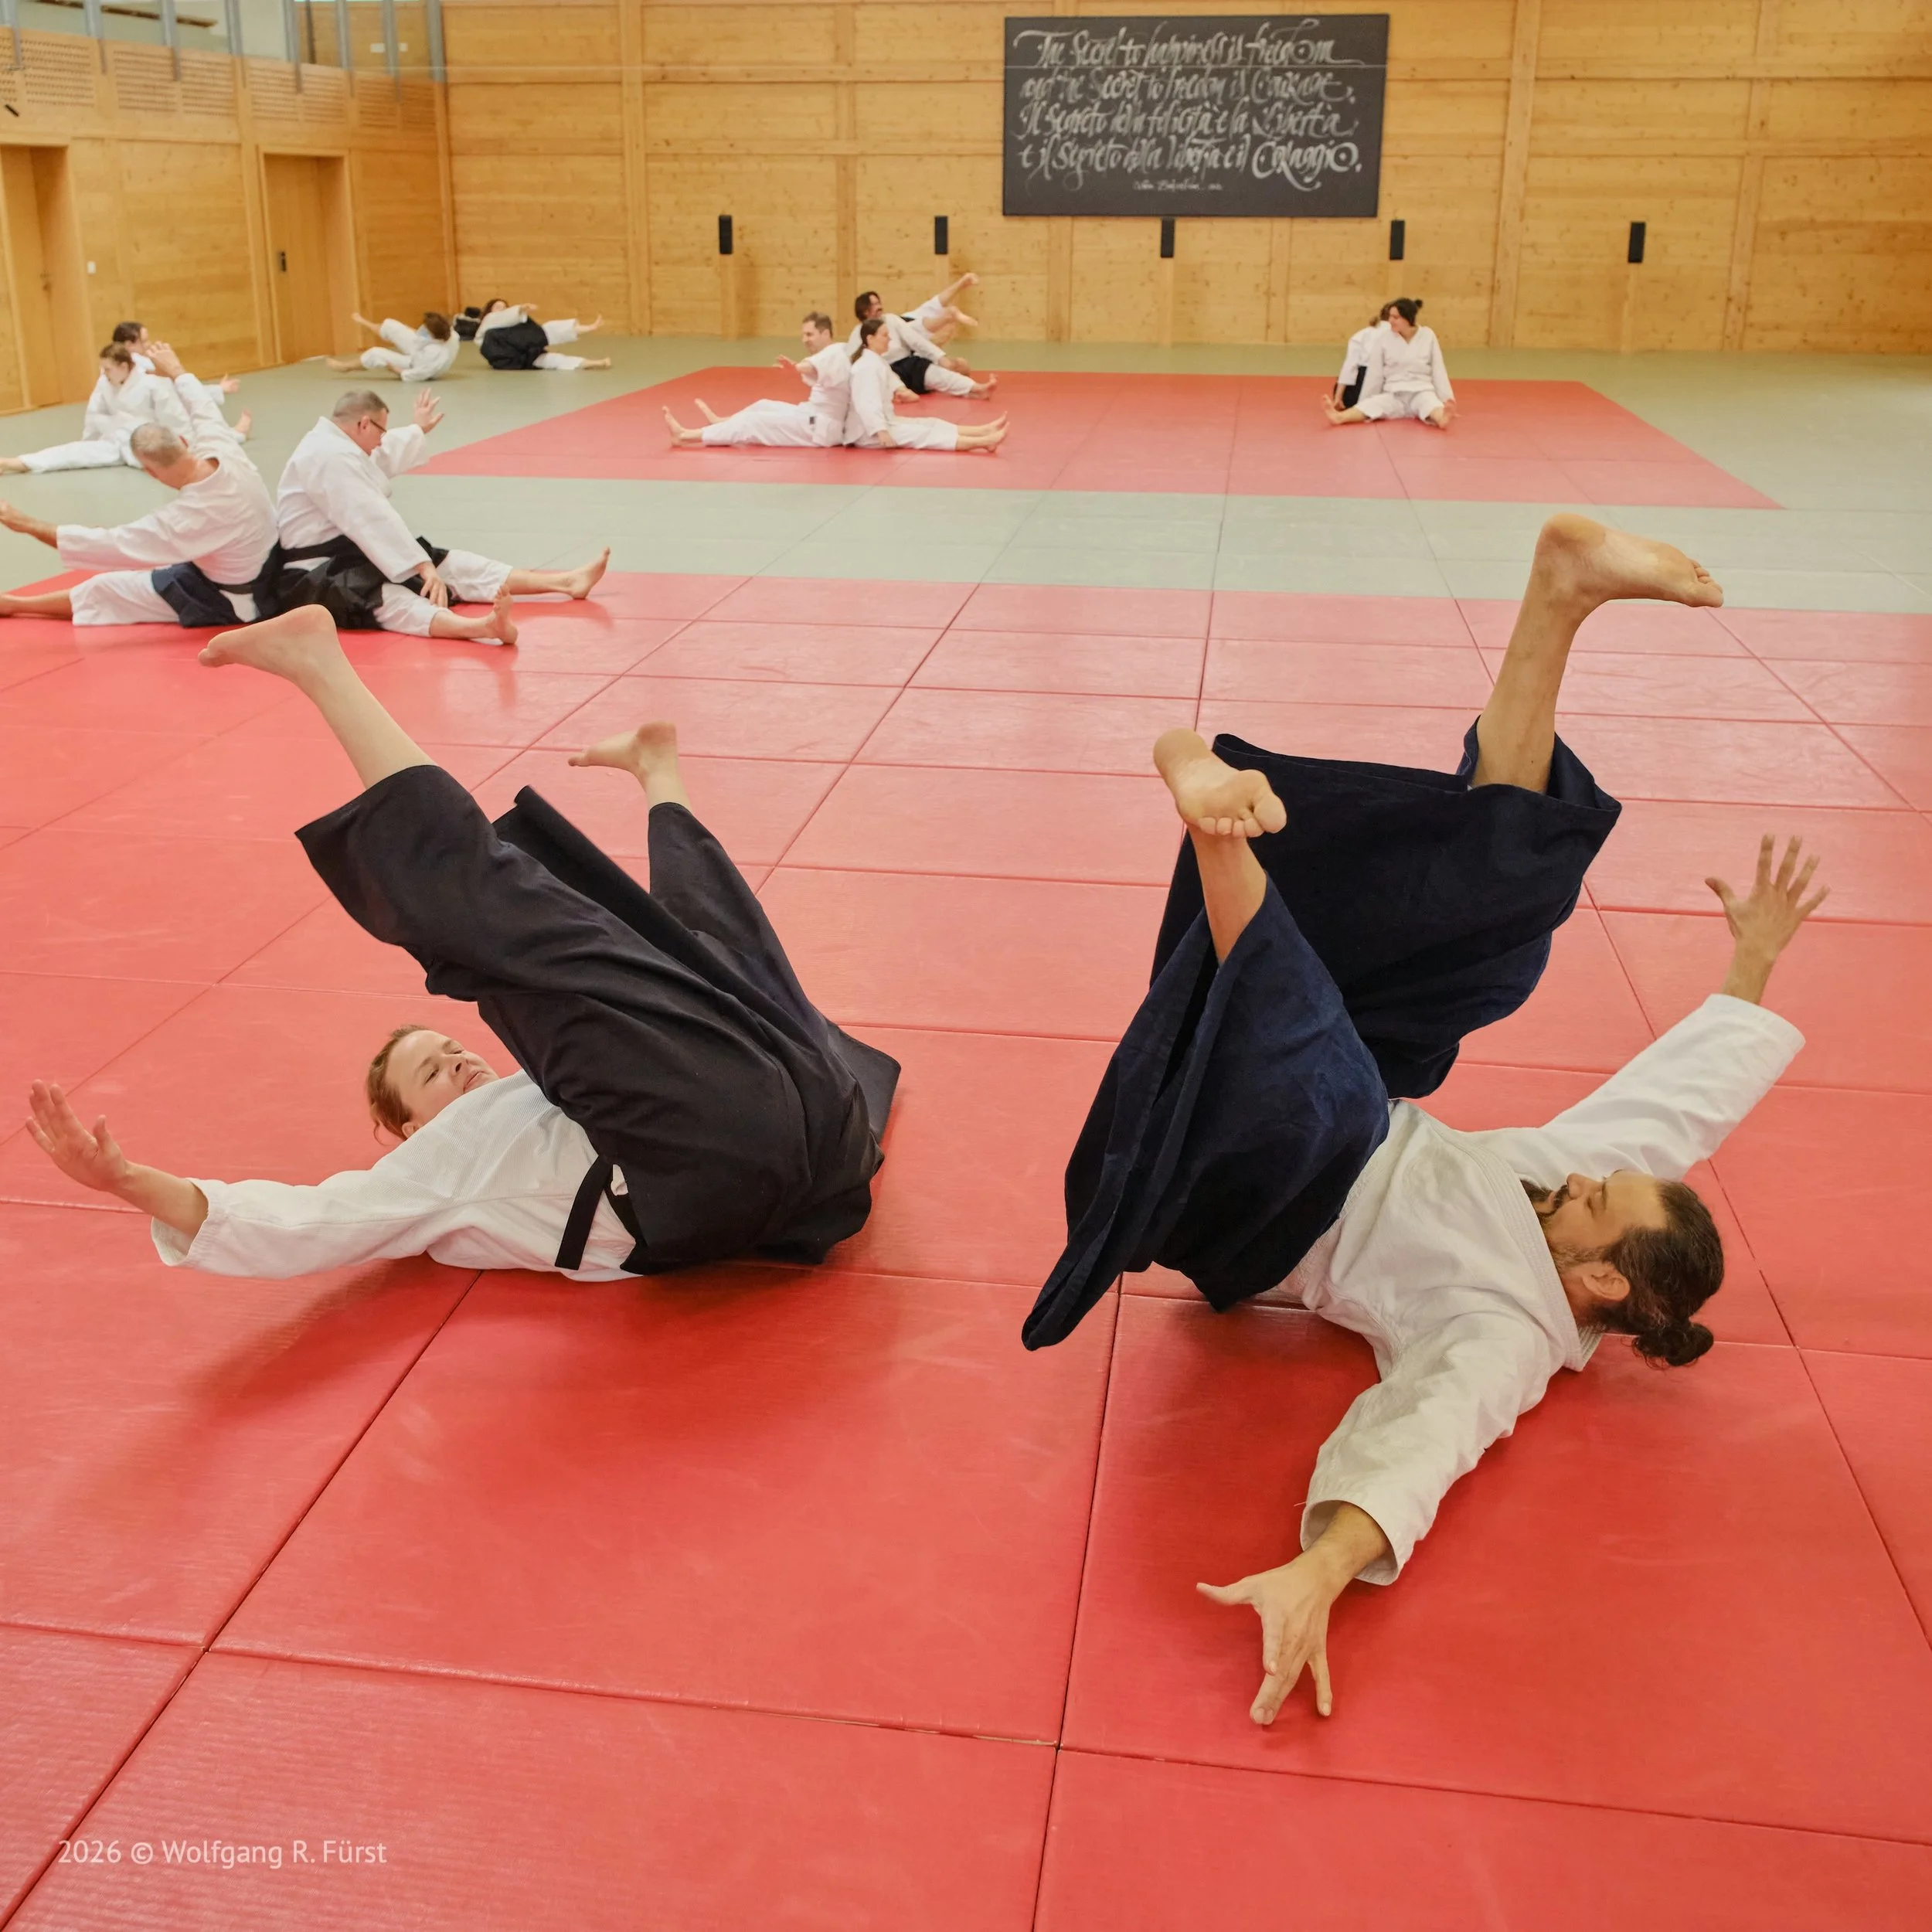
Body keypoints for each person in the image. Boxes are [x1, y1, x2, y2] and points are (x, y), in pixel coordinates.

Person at [1021, 514, 1826, 1726]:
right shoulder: (1581, 1195)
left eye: (1596, 1201)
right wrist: (1753, 960)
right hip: (1352, 1098)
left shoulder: (1503, 1331)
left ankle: (1214, 816)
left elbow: (1422, 1442)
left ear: (1600, 1282)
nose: (1583, 1178)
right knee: (1499, 930)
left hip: (1256, 1197)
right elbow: (1682, 1102)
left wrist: (1320, 1571)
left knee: (1316, 1068)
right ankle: (1558, 596)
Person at [24, 606, 900, 1281]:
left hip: (816, 1144)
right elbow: (306, 1222)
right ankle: (323, 667)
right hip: (698, 1167)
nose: (457, 1061)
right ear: (403, 1128)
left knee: (699, 953)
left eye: (448, 1052)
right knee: (512, 934)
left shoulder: (539, 1091)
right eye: (431, 1074)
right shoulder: (427, 1173)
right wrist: (126, 1181)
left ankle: (657, 773)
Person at [264, 386, 608, 645]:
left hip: (351, 554)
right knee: (388, 598)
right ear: (363, 423)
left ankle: (565, 582)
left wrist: (417, 430)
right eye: (382, 431)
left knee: (451, 564)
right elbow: (370, 517)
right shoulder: (328, 456)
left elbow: (379, 457)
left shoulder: (341, 447)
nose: (382, 440)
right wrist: (421, 566)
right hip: (314, 574)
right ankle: (482, 627)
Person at [0, 342, 275, 628]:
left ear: (150, 472)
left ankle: (12, 604)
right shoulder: (224, 450)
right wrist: (177, 370)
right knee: (156, 565)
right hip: (259, 567)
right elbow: (202, 408)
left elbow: (109, 546)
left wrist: (25, 523)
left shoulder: (187, 518)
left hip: (231, 600)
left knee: (103, 589)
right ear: (184, 442)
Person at [663, 311, 852, 449]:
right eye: (803, 335)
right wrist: (796, 368)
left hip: (819, 428)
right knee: (763, 405)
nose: (804, 340)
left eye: (810, 335)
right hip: (813, 416)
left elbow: (811, 367)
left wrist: (795, 368)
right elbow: (818, 369)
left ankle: (686, 436)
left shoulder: (835, 352)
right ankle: (722, 422)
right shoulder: (833, 354)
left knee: (752, 422)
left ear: (826, 334)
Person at [0, 345, 190, 474]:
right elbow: (94, 414)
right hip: (116, 441)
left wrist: (184, 451)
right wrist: (88, 442)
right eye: (103, 369)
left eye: (108, 369)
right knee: (72, 453)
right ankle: (12, 463)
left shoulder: (153, 385)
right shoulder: (104, 384)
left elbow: (175, 419)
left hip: (148, 446)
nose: (104, 374)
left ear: (124, 366)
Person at [846, 316, 1008, 453]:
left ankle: (983, 431)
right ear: (870, 339)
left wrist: (902, 390)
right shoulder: (866, 367)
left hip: (884, 422)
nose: (890, 339)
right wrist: (880, 431)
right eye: (885, 335)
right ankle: (984, 442)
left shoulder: (876, 361)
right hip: (868, 433)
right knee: (924, 435)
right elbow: (866, 404)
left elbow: (892, 380)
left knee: (930, 423)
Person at [1325, 297, 1454, 429]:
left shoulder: (1428, 335)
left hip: (1421, 390)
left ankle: (1442, 418)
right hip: (1393, 393)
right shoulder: (1384, 338)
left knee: (1432, 405)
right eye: (1390, 316)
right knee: (1371, 405)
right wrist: (1365, 401)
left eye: (1395, 317)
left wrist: (1447, 399)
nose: (1390, 321)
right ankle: (1339, 417)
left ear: (1408, 319)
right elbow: (1375, 374)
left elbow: (1438, 369)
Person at [845, 291, 996, 399]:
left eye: (879, 303)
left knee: (939, 375)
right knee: (882, 373)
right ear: (865, 311)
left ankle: (975, 388)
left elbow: (916, 340)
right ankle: (901, 392)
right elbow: (851, 360)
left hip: (909, 365)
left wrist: (940, 358)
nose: (879, 307)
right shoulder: (858, 333)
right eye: (874, 305)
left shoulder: (891, 320)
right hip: (885, 371)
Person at [108, 321, 250, 436]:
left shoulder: (116, 361)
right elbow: (172, 385)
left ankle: (231, 433)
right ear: (129, 345)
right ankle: (233, 434)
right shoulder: (134, 363)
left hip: (135, 419)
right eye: (144, 341)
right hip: (147, 417)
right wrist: (218, 389)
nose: (149, 344)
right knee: (192, 407)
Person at [322, 311, 461, 383]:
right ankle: (364, 322)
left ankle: (345, 367)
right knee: (391, 325)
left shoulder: (437, 356)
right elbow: (419, 335)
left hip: (416, 365)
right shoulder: (449, 334)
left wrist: (396, 370)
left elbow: (422, 373)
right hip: (421, 350)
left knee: (376, 354)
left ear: (434, 334)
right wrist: (404, 330)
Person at [473, 301, 612, 372]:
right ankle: (590, 328)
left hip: (521, 356)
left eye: (505, 307)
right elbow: (499, 318)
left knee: (553, 359)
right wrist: (521, 308)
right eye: (498, 306)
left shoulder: (514, 325)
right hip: (503, 357)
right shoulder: (489, 322)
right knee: (547, 331)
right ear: (489, 310)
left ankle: (595, 362)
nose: (502, 309)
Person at [1332, 298, 1406, 409]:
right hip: (1386, 392)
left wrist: (1338, 397)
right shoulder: (1402, 337)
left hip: (1356, 395)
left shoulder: (1362, 334)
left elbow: (1349, 368)